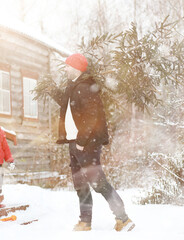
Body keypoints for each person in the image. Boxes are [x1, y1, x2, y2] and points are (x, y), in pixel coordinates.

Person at [46, 53, 135, 231]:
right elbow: (69, 105)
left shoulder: (85, 87)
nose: (65, 69)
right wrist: (52, 90)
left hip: (86, 143)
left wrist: (81, 141)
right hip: (74, 142)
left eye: (68, 66)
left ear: (76, 68)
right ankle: (85, 221)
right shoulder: (74, 87)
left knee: (98, 182)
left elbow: (91, 117)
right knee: (80, 183)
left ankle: (123, 219)